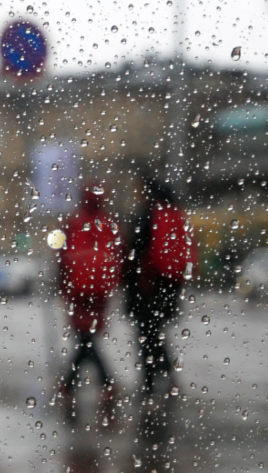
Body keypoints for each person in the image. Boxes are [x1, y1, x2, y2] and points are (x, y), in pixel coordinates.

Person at [57, 182, 124, 419]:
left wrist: (63, 287)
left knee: (85, 337)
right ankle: (79, 383)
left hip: (79, 289)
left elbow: (64, 258)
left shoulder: (75, 223)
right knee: (87, 337)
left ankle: (80, 383)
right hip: (101, 290)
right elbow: (119, 256)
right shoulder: (108, 224)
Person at [125, 178, 196, 395]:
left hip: (146, 287)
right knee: (155, 334)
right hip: (170, 285)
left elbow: (133, 252)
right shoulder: (175, 215)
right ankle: (167, 379)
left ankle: (149, 383)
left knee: (147, 336)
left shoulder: (147, 216)